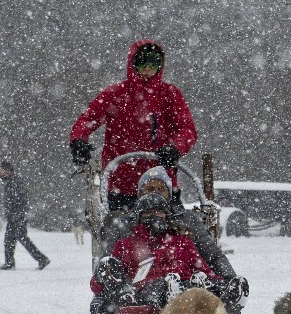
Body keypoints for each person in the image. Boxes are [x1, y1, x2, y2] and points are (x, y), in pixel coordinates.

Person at [70, 40, 198, 213]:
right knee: (117, 227)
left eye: (154, 62)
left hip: (161, 185)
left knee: (178, 227)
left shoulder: (169, 95)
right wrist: (78, 141)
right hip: (120, 186)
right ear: (132, 63)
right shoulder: (115, 94)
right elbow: (86, 120)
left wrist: (175, 148)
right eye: (142, 62)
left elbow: (187, 129)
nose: (147, 68)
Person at [90, 193, 248, 314]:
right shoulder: (126, 245)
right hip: (147, 287)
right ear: (139, 217)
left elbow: (204, 269)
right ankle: (173, 296)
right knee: (157, 286)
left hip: (186, 282)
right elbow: (108, 277)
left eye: (159, 212)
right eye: (148, 213)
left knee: (202, 282)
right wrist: (103, 289)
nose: (154, 216)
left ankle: (227, 294)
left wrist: (217, 281)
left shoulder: (182, 242)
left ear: (166, 217)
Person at [104, 166, 238, 281]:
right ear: (140, 194)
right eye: (149, 189)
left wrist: (228, 279)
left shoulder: (187, 220)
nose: (155, 193)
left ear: (168, 194)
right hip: (138, 287)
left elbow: (213, 256)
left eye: (161, 189)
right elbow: (109, 263)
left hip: (184, 285)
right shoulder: (124, 224)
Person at [0, 161, 50, 270]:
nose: (0, 172)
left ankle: (42, 259)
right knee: (9, 240)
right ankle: (9, 263)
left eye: (2, 170)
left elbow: (21, 200)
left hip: (17, 217)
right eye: (0, 170)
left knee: (22, 239)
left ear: (8, 171)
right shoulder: (9, 182)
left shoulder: (15, 182)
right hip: (13, 217)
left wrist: (17, 214)